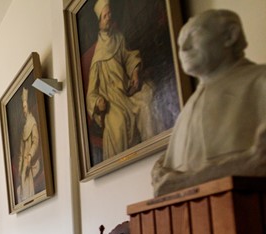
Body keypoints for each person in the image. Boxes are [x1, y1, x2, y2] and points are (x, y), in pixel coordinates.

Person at [152, 9, 266, 196]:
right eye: (180, 43)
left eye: (194, 35)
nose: (183, 49)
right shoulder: (187, 110)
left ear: (230, 35)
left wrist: (183, 182)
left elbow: (260, 161)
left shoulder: (261, 80)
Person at [86, 0, 156, 161]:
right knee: (118, 125)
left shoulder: (119, 38)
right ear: (99, 22)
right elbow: (91, 93)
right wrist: (98, 103)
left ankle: (153, 148)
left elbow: (129, 57)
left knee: (147, 97)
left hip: (127, 91)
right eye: (105, 16)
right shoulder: (97, 57)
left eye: (109, 14)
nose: (108, 18)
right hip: (112, 100)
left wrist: (135, 72)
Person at [17, 87, 42, 202]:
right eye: (23, 107)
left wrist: (30, 155)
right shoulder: (24, 124)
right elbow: (21, 149)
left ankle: (28, 199)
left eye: (25, 107)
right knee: (22, 180)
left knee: (26, 179)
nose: (24, 110)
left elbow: (36, 141)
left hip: (29, 159)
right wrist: (20, 161)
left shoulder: (32, 122)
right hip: (23, 160)